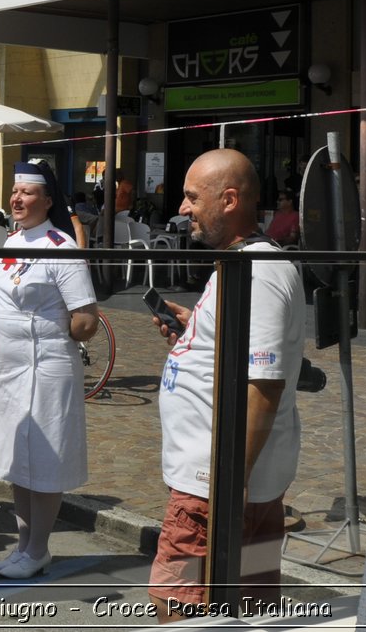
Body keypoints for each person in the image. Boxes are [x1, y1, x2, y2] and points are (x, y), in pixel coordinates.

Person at [148, 149, 304, 621]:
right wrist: (195, 328)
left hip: (211, 487)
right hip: (219, 482)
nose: (183, 208)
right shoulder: (241, 264)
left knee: (177, 607)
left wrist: (227, 486)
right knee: (245, 615)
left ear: (230, 199)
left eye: (193, 197)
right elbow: (247, 356)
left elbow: (264, 386)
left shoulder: (259, 270)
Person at [0, 161, 99, 580]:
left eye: (27, 192)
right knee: (19, 458)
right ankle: (22, 546)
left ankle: (39, 549)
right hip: (8, 368)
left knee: (45, 460)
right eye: (14, 191)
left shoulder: (61, 248)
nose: (17, 199)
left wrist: (48, 340)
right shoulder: (12, 241)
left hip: (45, 367)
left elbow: (85, 317)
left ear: (48, 201)